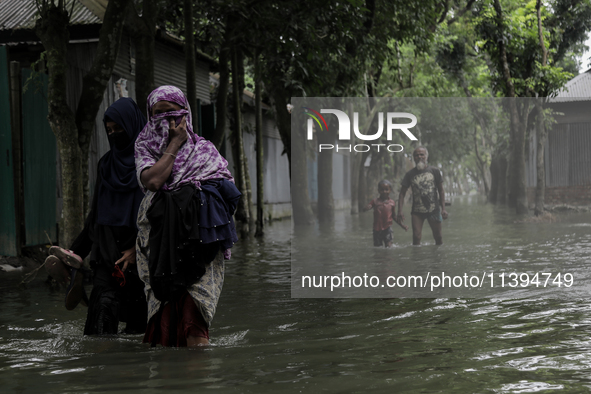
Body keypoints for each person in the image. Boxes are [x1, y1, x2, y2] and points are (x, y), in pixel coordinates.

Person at [134, 85, 240, 347]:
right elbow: (154, 181)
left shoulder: (204, 149)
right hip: (159, 243)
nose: (167, 121)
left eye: (172, 113)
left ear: (185, 115)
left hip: (200, 242)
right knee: (164, 318)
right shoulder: (144, 146)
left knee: (195, 319)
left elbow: (228, 194)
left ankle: (197, 384)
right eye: (158, 114)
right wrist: (175, 143)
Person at [45, 97, 148, 335]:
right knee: (99, 328)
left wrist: (138, 248)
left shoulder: (149, 166)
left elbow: (158, 215)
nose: (114, 135)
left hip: (141, 260)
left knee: (139, 333)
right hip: (107, 254)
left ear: (133, 126)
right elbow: (97, 214)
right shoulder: (106, 164)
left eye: (119, 129)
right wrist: (77, 251)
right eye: (109, 130)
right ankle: (74, 265)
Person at [397, 146, 448, 245]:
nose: (419, 157)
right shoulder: (409, 174)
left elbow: (441, 190)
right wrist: (399, 211)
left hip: (434, 210)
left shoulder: (434, 171)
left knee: (438, 237)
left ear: (426, 157)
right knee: (416, 237)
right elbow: (402, 193)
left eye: (422, 154)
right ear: (414, 158)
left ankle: (439, 258)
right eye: (416, 155)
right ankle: (417, 259)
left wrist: (443, 209)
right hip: (417, 211)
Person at [363, 180, 407, 247]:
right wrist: (366, 208)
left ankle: (388, 256)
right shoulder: (374, 201)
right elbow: (366, 208)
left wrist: (402, 225)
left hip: (387, 228)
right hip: (377, 228)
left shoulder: (392, 203)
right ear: (378, 190)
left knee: (389, 246)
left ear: (390, 190)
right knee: (378, 247)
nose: (384, 192)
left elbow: (394, 216)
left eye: (386, 189)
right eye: (382, 190)